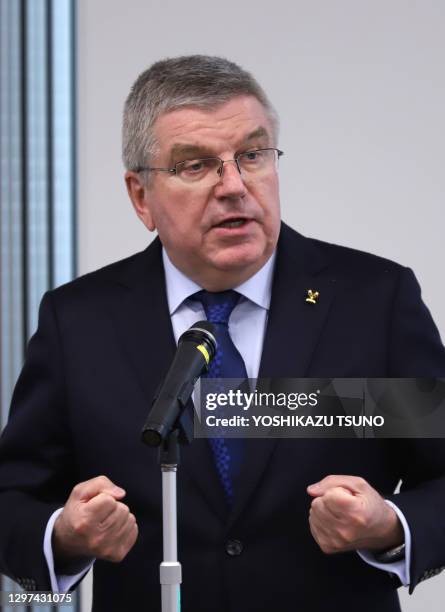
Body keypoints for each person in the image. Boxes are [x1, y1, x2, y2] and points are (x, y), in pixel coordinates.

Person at [0, 55, 445, 612]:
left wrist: (390, 528)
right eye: (194, 165)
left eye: (252, 155)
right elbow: (13, 500)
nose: (234, 185)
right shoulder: (80, 321)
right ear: (141, 197)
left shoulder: (373, 301)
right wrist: (64, 538)